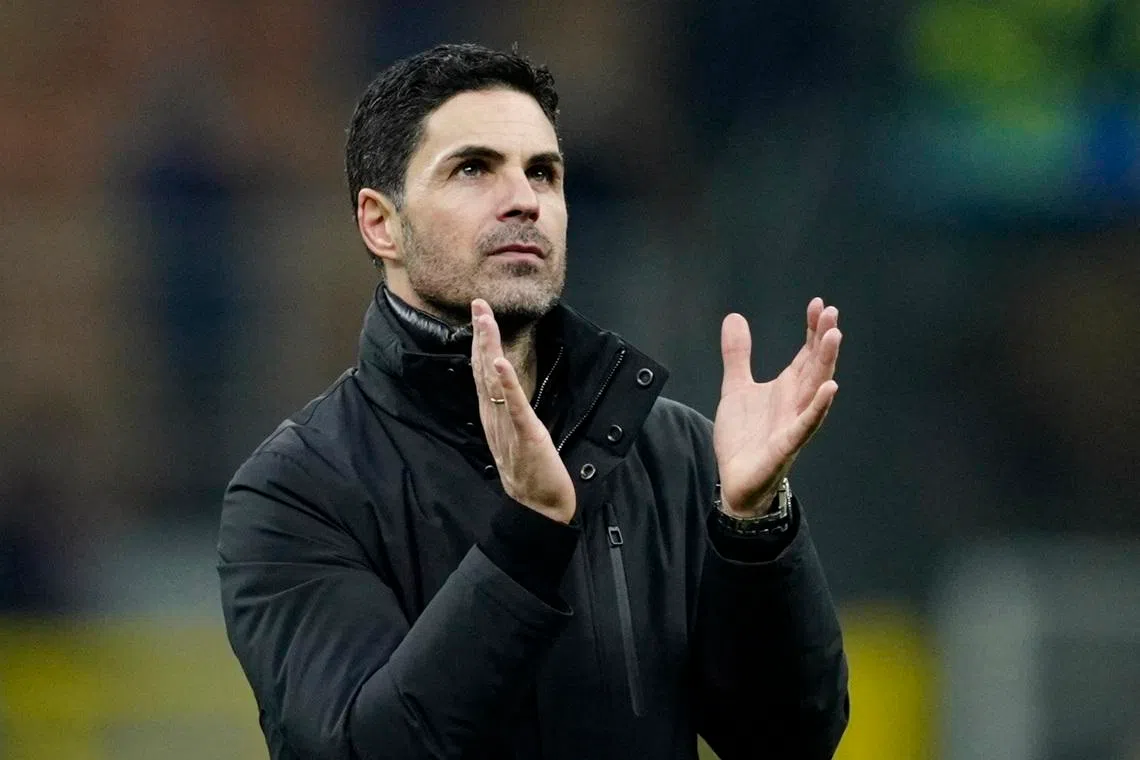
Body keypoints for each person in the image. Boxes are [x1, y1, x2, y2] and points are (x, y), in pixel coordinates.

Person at [218, 43, 849, 760]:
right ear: (380, 224)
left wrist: (754, 530)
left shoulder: (670, 451)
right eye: (473, 168)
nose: (524, 199)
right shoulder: (295, 491)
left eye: (543, 172)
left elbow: (791, 741)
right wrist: (530, 537)